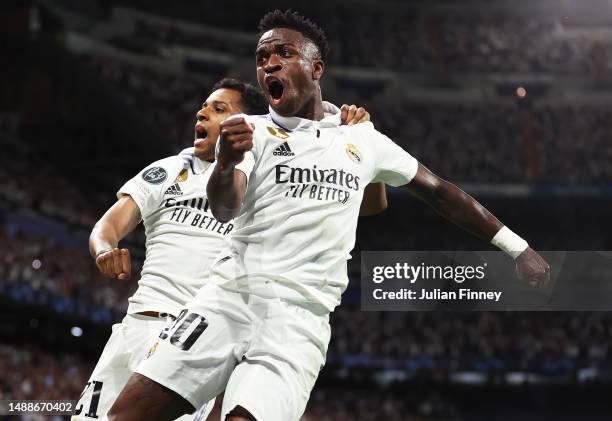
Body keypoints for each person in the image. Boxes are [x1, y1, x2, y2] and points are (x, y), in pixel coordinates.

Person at [108, 10, 550, 421]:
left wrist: (517, 246)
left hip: (297, 322)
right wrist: (224, 164)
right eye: (262, 58)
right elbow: (225, 206)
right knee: (124, 416)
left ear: (316, 68)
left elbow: (439, 192)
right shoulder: (252, 132)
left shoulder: (361, 138)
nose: (270, 65)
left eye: (284, 53)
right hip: (224, 301)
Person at [75, 77, 381, 421]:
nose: (201, 113)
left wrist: (359, 141)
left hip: (195, 340)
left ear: (248, 125)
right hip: (136, 327)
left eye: (219, 109)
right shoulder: (171, 169)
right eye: (203, 107)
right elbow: (108, 226)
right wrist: (104, 250)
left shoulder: (269, 176)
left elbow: (368, 205)